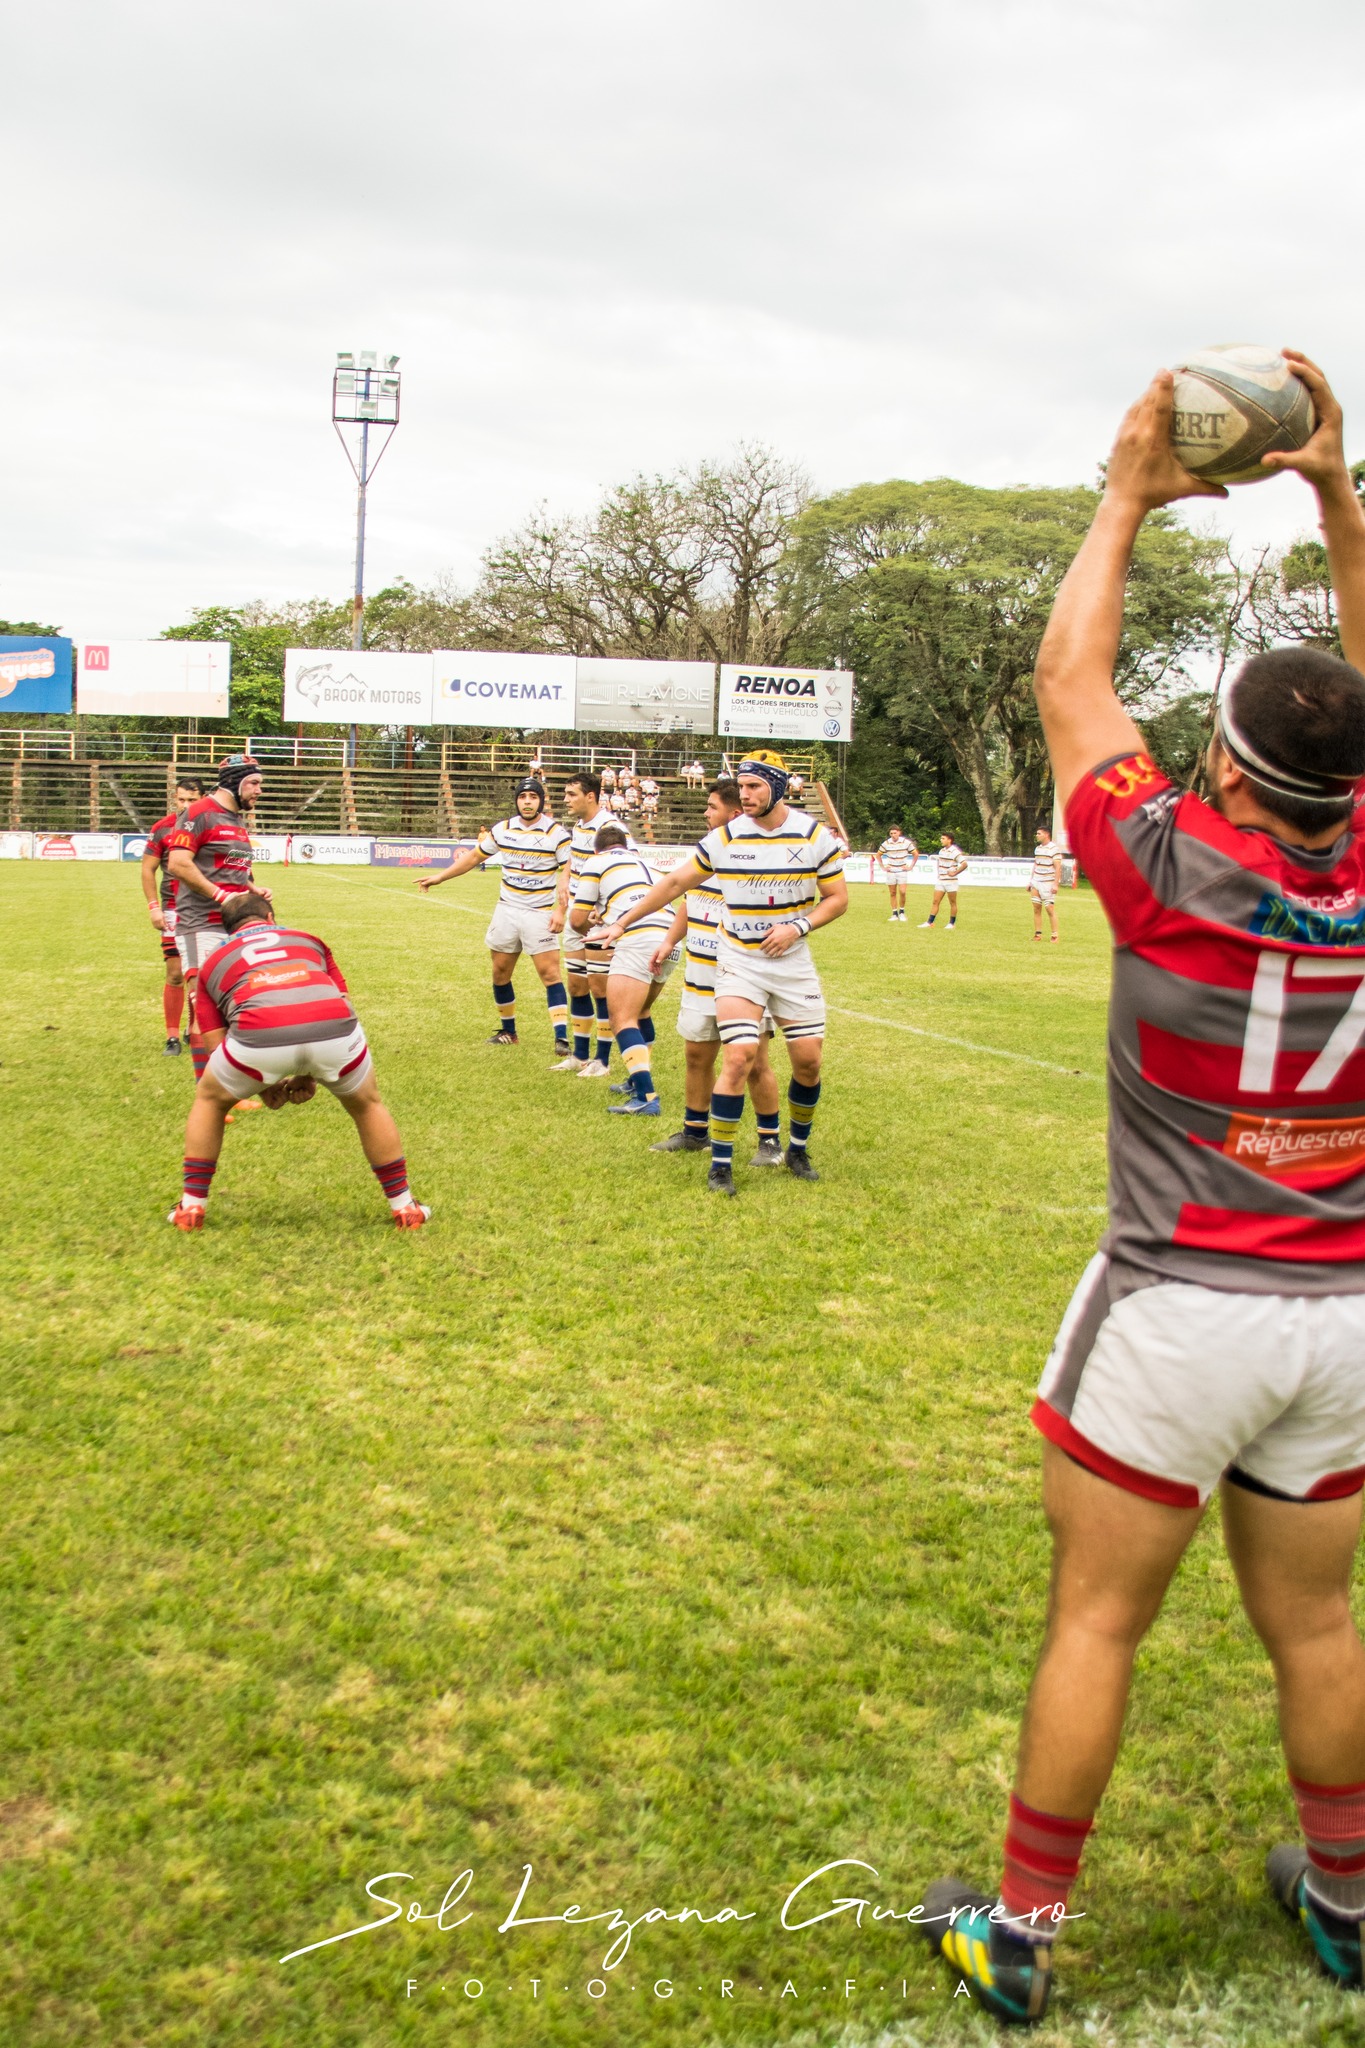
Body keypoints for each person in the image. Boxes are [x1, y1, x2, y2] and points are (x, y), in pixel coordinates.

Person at [920, 353, 1365, 2023]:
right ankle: (1348, 1897)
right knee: (1316, 1628)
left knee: (1098, 1618)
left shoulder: (1169, 863)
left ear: (1231, 768)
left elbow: (1066, 676)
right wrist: (1333, 492)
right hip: (1345, 1315)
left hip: (1183, 1303)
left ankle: (1019, 1930)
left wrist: (1124, 492)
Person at [594, 750, 847, 1195]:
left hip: (792, 964)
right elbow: (675, 885)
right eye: (742, 787)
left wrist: (797, 926)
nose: (745, 795)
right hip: (740, 963)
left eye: (754, 787)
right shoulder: (724, 838)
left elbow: (837, 898)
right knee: (737, 1057)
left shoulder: (813, 836)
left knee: (808, 1063)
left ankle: (797, 1148)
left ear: (779, 787)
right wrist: (622, 921)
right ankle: (721, 1165)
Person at [168, 889, 428, 1232]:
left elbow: (215, 1042)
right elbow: (340, 999)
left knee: (210, 1100)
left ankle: (191, 1209)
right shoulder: (309, 940)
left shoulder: (214, 961)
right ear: (271, 918)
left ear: (228, 930)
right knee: (367, 1105)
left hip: (258, 1040)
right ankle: (405, 1208)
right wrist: (310, 1075)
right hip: (335, 1032)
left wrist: (262, 1084)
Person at [649, 779, 786, 1164]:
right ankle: (695, 1132)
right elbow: (688, 901)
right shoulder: (705, 852)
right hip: (700, 974)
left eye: (711, 806)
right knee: (696, 1055)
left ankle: (770, 1141)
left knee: (755, 1061)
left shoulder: (758, 856)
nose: (705, 813)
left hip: (744, 978)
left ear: (735, 812)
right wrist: (669, 941)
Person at [417, 778, 570, 1050]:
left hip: (539, 912)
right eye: (522, 797)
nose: (527, 802)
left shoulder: (556, 833)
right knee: (500, 972)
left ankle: (561, 1037)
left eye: (533, 797)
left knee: (550, 974)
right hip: (507, 911)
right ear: (516, 801)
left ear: (541, 801)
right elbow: (474, 857)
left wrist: (561, 909)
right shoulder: (503, 829)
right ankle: (508, 1032)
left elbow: (569, 872)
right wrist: (440, 877)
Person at [166, 756, 267, 1086]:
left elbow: (231, 866)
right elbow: (179, 864)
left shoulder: (236, 819)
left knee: (230, 1006)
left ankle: (228, 1085)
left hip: (234, 925)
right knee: (205, 1010)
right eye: (254, 783)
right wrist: (223, 897)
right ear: (235, 782)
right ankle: (208, 1094)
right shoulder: (198, 813)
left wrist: (252, 889)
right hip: (201, 924)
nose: (259, 790)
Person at [569, 825, 678, 1117]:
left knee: (622, 1018)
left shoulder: (596, 862)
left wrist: (594, 921)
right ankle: (635, 1080)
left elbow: (577, 919)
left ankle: (646, 1096)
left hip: (638, 938)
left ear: (596, 849)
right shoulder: (649, 865)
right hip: (671, 939)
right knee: (641, 1012)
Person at [555, 771, 620, 1075]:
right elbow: (573, 858)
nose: (565, 799)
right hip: (576, 915)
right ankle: (580, 1056)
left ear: (590, 796)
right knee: (577, 984)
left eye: (571, 794)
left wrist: (603, 911)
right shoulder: (579, 826)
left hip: (599, 919)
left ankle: (602, 1060)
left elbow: (623, 866)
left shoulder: (611, 827)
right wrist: (565, 880)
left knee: (599, 988)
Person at [140, 775, 206, 1054]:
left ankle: (193, 1029)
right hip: (172, 909)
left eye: (192, 800)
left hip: (204, 909)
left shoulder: (211, 826)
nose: (185, 804)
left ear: (203, 798)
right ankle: (171, 1038)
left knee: (200, 974)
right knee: (176, 972)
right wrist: (154, 907)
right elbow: (147, 869)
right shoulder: (163, 828)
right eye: (181, 799)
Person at [919, 831, 969, 929]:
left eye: (943, 839)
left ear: (949, 840)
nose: (941, 840)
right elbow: (939, 862)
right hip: (941, 880)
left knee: (952, 902)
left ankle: (951, 923)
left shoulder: (955, 851)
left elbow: (964, 864)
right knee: (935, 901)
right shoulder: (942, 851)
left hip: (951, 881)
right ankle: (930, 922)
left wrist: (954, 873)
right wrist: (939, 873)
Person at [1028, 825, 1064, 941]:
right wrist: (1031, 881)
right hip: (1036, 881)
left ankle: (1054, 935)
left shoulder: (1054, 849)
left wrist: (1055, 884)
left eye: (1039, 833)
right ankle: (1038, 934)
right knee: (1036, 908)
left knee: (1049, 908)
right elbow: (1036, 864)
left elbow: (1058, 867)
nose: (1037, 836)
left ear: (1046, 834)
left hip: (1048, 882)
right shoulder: (1038, 849)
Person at [876, 825, 919, 921]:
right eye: (891, 833)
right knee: (892, 892)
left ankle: (902, 912)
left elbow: (915, 854)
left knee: (902, 892)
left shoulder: (906, 842)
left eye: (895, 833)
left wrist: (910, 867)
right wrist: (883, 867)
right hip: (891, 870)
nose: (893, 835)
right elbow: (878, 855)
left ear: (899, 832)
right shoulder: (886, 843)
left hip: (902, 870)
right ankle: (894, 913)